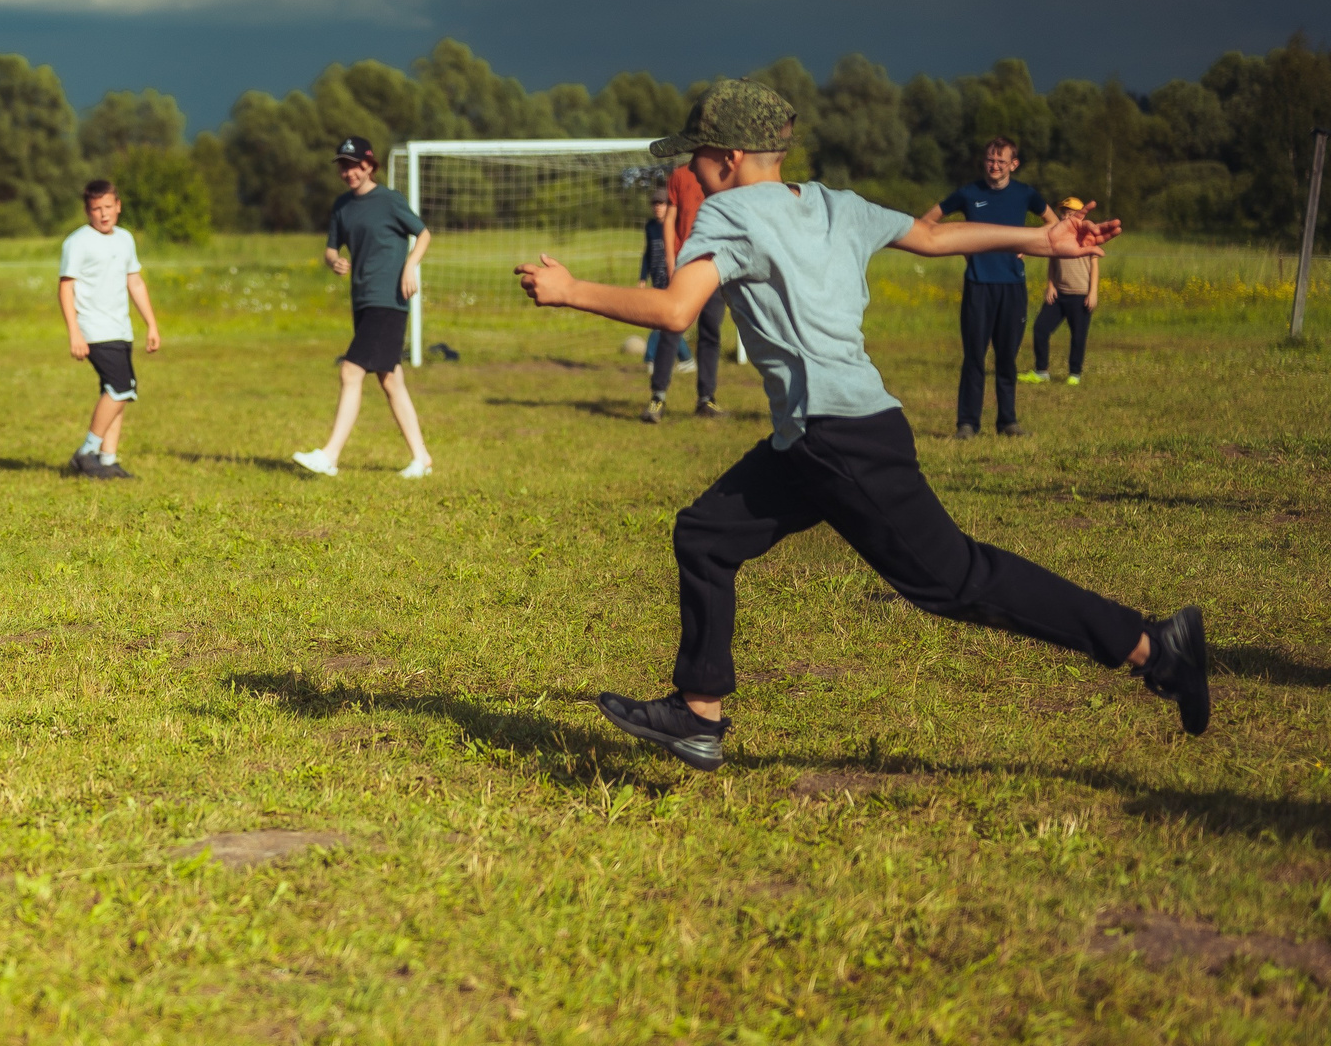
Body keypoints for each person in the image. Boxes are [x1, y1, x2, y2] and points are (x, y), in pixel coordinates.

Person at [513, 82, 1207, 771]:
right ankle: (699, 715)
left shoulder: (728, 214)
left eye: (696, 155)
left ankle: (1152, 646)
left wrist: (571, 291)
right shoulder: (835, 204)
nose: (690, 169)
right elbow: (931, 236)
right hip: (818, 436)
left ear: (728, 158)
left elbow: (674, 311)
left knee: (957, 580)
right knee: (706, 534)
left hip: (838, 439)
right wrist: (1039, 238)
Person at [294, 137, 433, 479]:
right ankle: (422, 458)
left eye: (354, 166)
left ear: (370, 166)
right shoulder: (342, 206)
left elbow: (424, 234)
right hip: (363, 299)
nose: (349, 173)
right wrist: (334, 261)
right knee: (390, 379)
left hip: (390, 300)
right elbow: (330, 249)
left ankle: (329, 456)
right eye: (343, 167)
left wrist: (410, 266)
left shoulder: (390, 200)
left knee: (350, 371)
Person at [922, 138, 1057, 438]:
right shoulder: (969, 193)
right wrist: (960, 245)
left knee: (1007, 357)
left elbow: (1054, 224)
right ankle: (967, 424)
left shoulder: (1025, 194)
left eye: (1000, 161)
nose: (994, 166)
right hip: (978, 285)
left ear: (1013, 164)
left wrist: (1029, 243)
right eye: (990, 160)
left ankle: (1008, 421)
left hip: (1012, 286)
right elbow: (928, 223)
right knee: (974, 356)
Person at [58, 179, 162, 480]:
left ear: (118, 205)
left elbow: (135, 282)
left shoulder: (125, 239)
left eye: (108, 207)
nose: (103, 214)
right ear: (87, 211)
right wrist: (74, 332)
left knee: (115, 393)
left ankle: (107, 461)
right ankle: (86, 452)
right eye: (96, 209)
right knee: (122, 388)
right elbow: (65, 288)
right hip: (94, 329)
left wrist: (151, 324)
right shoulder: (78, 242)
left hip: (120, 329)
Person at [664, 158, 730, 418]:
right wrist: (671, 262)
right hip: (685, 264)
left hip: (714, 266)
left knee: (710, 331)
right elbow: (670, 219)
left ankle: (706, 399)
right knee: (672, 328)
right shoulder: (680, 175)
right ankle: (658, 396)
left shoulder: (725, 176)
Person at [1023, 196, 1098, 386]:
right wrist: (1050, 286)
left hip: (1081, 295)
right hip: (1059, 295)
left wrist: (1093, 293)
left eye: (1070, 213)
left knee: (1078, 335)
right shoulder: (1057, 235)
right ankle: (1041, 371)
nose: (1065, 217)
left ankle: (1074, 374)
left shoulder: (1087, 235)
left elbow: (1094, 266)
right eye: (1064, 213)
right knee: (1040, 328)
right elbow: (1052, 262)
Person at [639, 194, 689, 423]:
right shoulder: (650, 227)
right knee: (663, 323)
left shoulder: (676, 226)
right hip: (657, 280)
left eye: (661, 203)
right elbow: (647, 254)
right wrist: (642, 278)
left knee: (662, 322)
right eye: (655, 203)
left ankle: (652, 359)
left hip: (673, 279)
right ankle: (686, 358)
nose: (657, 207)